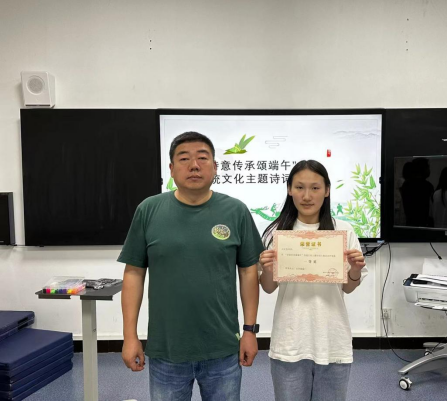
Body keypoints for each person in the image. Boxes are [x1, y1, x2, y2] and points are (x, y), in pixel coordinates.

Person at [118, 131, 263, 401]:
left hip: (223, 348)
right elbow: (134, 273)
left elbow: (248, 272)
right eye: (184, 159)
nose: (194, 165)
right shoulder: (149, 210)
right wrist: (130, 336)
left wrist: (249, 330)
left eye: (202, 158)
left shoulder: (236, 211)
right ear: (171, 169)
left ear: (215, 167)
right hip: (167, 350)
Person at [258, 160, 367, 401]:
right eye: (299, 187)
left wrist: (355, 270)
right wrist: (267, 269)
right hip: (289, 342)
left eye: (315, 188)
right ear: (289, 189)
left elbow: (349, 287)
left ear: (327, 190)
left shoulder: (343, 231)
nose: (307, 196)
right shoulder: (277, 233)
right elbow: (268, 288)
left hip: (333, 340)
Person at [399, 158, 435, 227]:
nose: (429, 170)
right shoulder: (427, 186)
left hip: (409, 223)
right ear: (423, 169)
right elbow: (432, 209)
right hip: (424, 224)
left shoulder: (406, 184)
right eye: (428, 167)